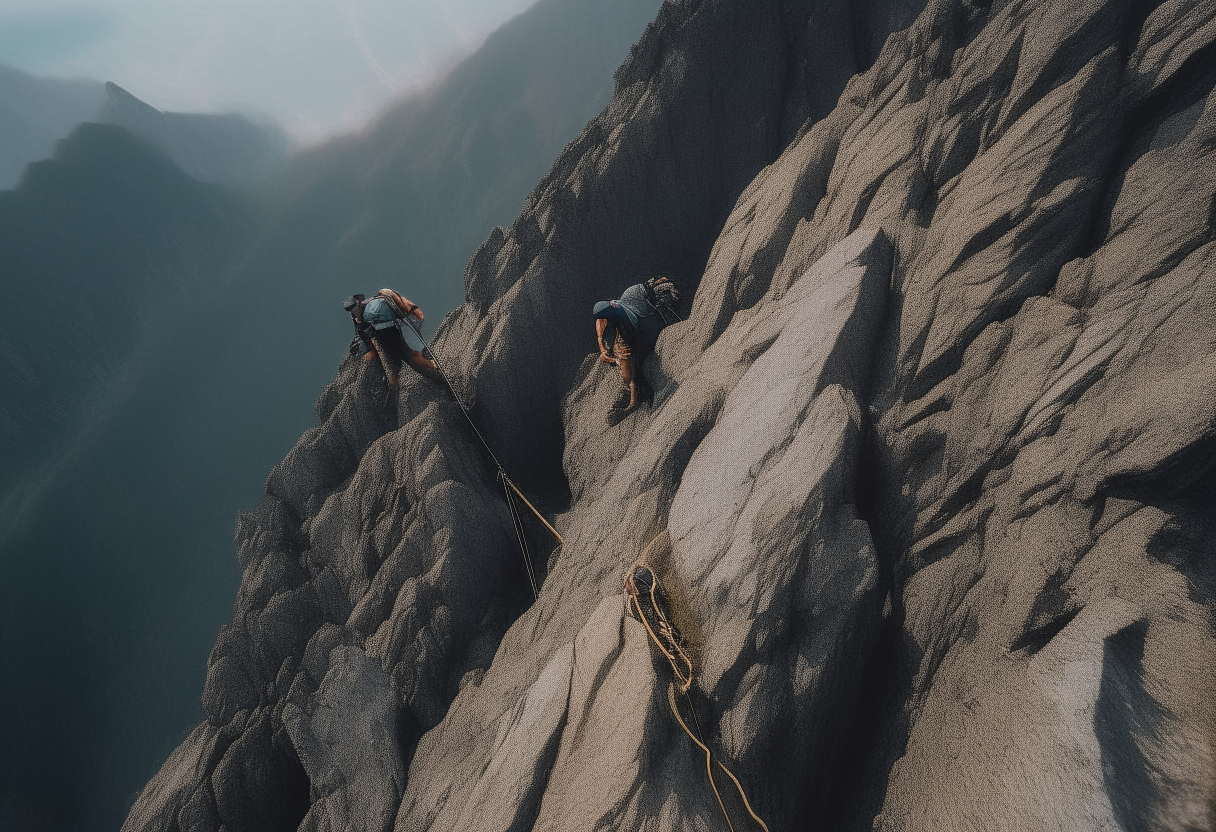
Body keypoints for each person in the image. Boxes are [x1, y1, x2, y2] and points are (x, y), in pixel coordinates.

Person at [592, 280, 667, 423]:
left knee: (636, 371)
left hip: (644, 327)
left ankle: (641, 398)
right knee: (632, 372)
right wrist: (601, 346)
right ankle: (636, 398)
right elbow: (600, 318)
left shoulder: (627, 307)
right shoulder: (612, 316)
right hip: (629, 334)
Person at [343, 288, 439, 385]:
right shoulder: (359, 318)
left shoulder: (375, 304)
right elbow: (363, 334)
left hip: (395, 335)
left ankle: (436, 370)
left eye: (354, 307)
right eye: (352, 309)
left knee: (414, 360)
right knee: (395, 374)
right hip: (385, 342)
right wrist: (367, 349)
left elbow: (395, 302)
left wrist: (412, 308)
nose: (355, 311)